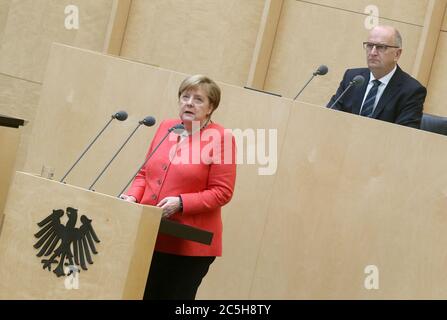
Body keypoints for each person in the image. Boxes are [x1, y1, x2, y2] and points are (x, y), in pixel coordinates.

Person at [120, 74, 237, 300]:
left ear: (211, 107)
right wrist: (132, 198)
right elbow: (145, 173)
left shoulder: (222, 138)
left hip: (190, 245)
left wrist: (181, 203)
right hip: (150, 233)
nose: (189, 103)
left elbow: (223, 192)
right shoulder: (166, 127)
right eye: (185, 97)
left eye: (198, 99)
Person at [327, 25, 426, 128]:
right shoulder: (352, 78)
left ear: (397, 54)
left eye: (381, 47)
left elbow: (404, 135)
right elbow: (330, 115)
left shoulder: (411, 90)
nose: (373, 52)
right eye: (370, 45)